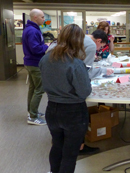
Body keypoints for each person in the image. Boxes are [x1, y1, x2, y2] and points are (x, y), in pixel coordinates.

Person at [39, 24, 92, 173]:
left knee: (57, 146)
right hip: (73, 112)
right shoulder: (76, 63)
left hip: (52, 109)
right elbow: (84, 92)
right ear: (79, 41)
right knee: (70, 153)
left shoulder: (45, 59)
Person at [22, 8, 48, 125]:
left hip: (31, 63)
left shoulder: (31, 29)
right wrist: (46, 46)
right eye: (42, 17)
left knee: (33, 88)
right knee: (40, 89)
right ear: (35, 17)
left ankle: (32, 111)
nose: (44, 19)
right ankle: (32, 117)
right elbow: (36, 49)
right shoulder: (33, 31)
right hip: (35, 63)